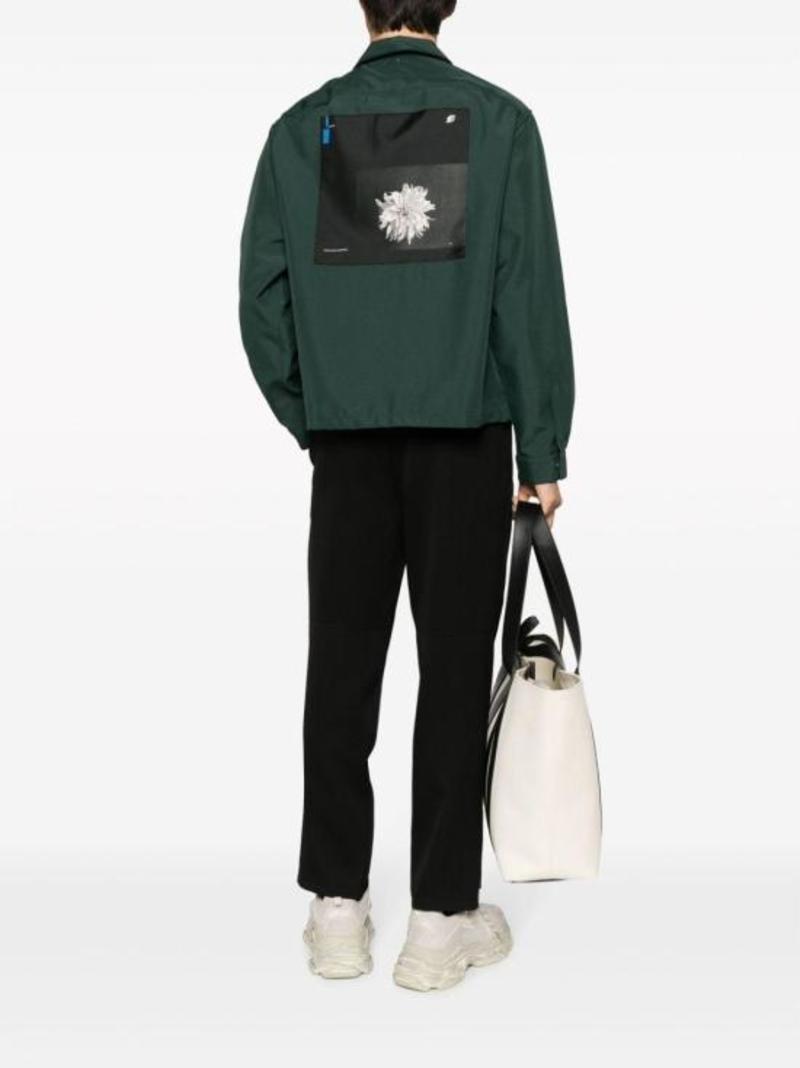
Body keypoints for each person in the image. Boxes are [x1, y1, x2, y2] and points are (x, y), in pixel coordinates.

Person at [238, 0, 575, 992]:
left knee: (340, 666)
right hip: (465, 435)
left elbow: (261, 300)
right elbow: (525, 293)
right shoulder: (500, 123)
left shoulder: (300, 130)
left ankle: (335, 908)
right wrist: (541, 447)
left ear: (363, 4)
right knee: (452, 669)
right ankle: (438, 920)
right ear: (447, 3)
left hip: (347, 440)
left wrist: (316, 414)